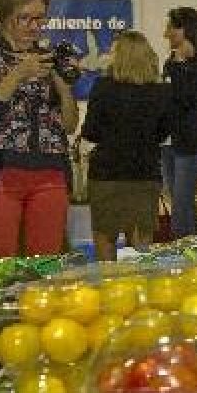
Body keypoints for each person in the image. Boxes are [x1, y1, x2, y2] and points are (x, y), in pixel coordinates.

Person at [0, 0, 79, 256]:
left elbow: (70, 125)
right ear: (3, 17)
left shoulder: (49, 58)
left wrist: (64, 88)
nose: (34, 26)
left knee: (46, 263)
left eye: (40, 18)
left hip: (51, 172)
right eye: (24, 18)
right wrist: (18, 74)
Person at [81, 31, 171, 260]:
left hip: (106, 174)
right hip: (145, 174)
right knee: (140, 249)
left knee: (106, 239)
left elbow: (90, 132)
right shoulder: (161, 92)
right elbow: (162, 133)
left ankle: (108, 281)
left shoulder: (103, 87)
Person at [160, 7, 197, 238]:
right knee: (181, 204)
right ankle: (193, 248)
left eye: (171, 28)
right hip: (168, 143)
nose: (166, 34)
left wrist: (179, 65)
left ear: (184, 30)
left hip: (191, 144)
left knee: (181, 205)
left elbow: (188, 97)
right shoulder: (170, 63)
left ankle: (182, 250)